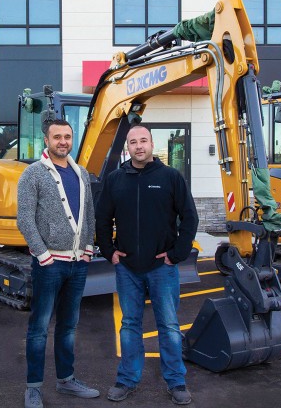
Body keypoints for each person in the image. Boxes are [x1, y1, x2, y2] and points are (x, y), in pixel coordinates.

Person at [95, 124, 199, 406]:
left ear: (153, 144)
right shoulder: (116, 180)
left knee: (168, 325)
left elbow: (190, 218)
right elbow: (102, 220)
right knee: (129, 326)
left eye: (143, 141)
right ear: (127, 148)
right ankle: (126, 380)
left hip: (162, 268)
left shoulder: (170, 177)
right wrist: (109, 252)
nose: (138, 146)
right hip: (127, 268)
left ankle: (176, 382)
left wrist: (176, 254)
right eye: (133, 142)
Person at [16, 119, 100, 408]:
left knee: (68, 326)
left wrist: (89, 248)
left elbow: (89, 214)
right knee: (39, 327)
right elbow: (25, 219)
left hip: (78, 265)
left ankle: (66, 380)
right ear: (46, 141)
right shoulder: (33, 174)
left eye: (67, 136)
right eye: (57, 137)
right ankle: (33, 387)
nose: (62, 141)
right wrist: (43, 256)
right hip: (49, 264)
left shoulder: (81, 173)